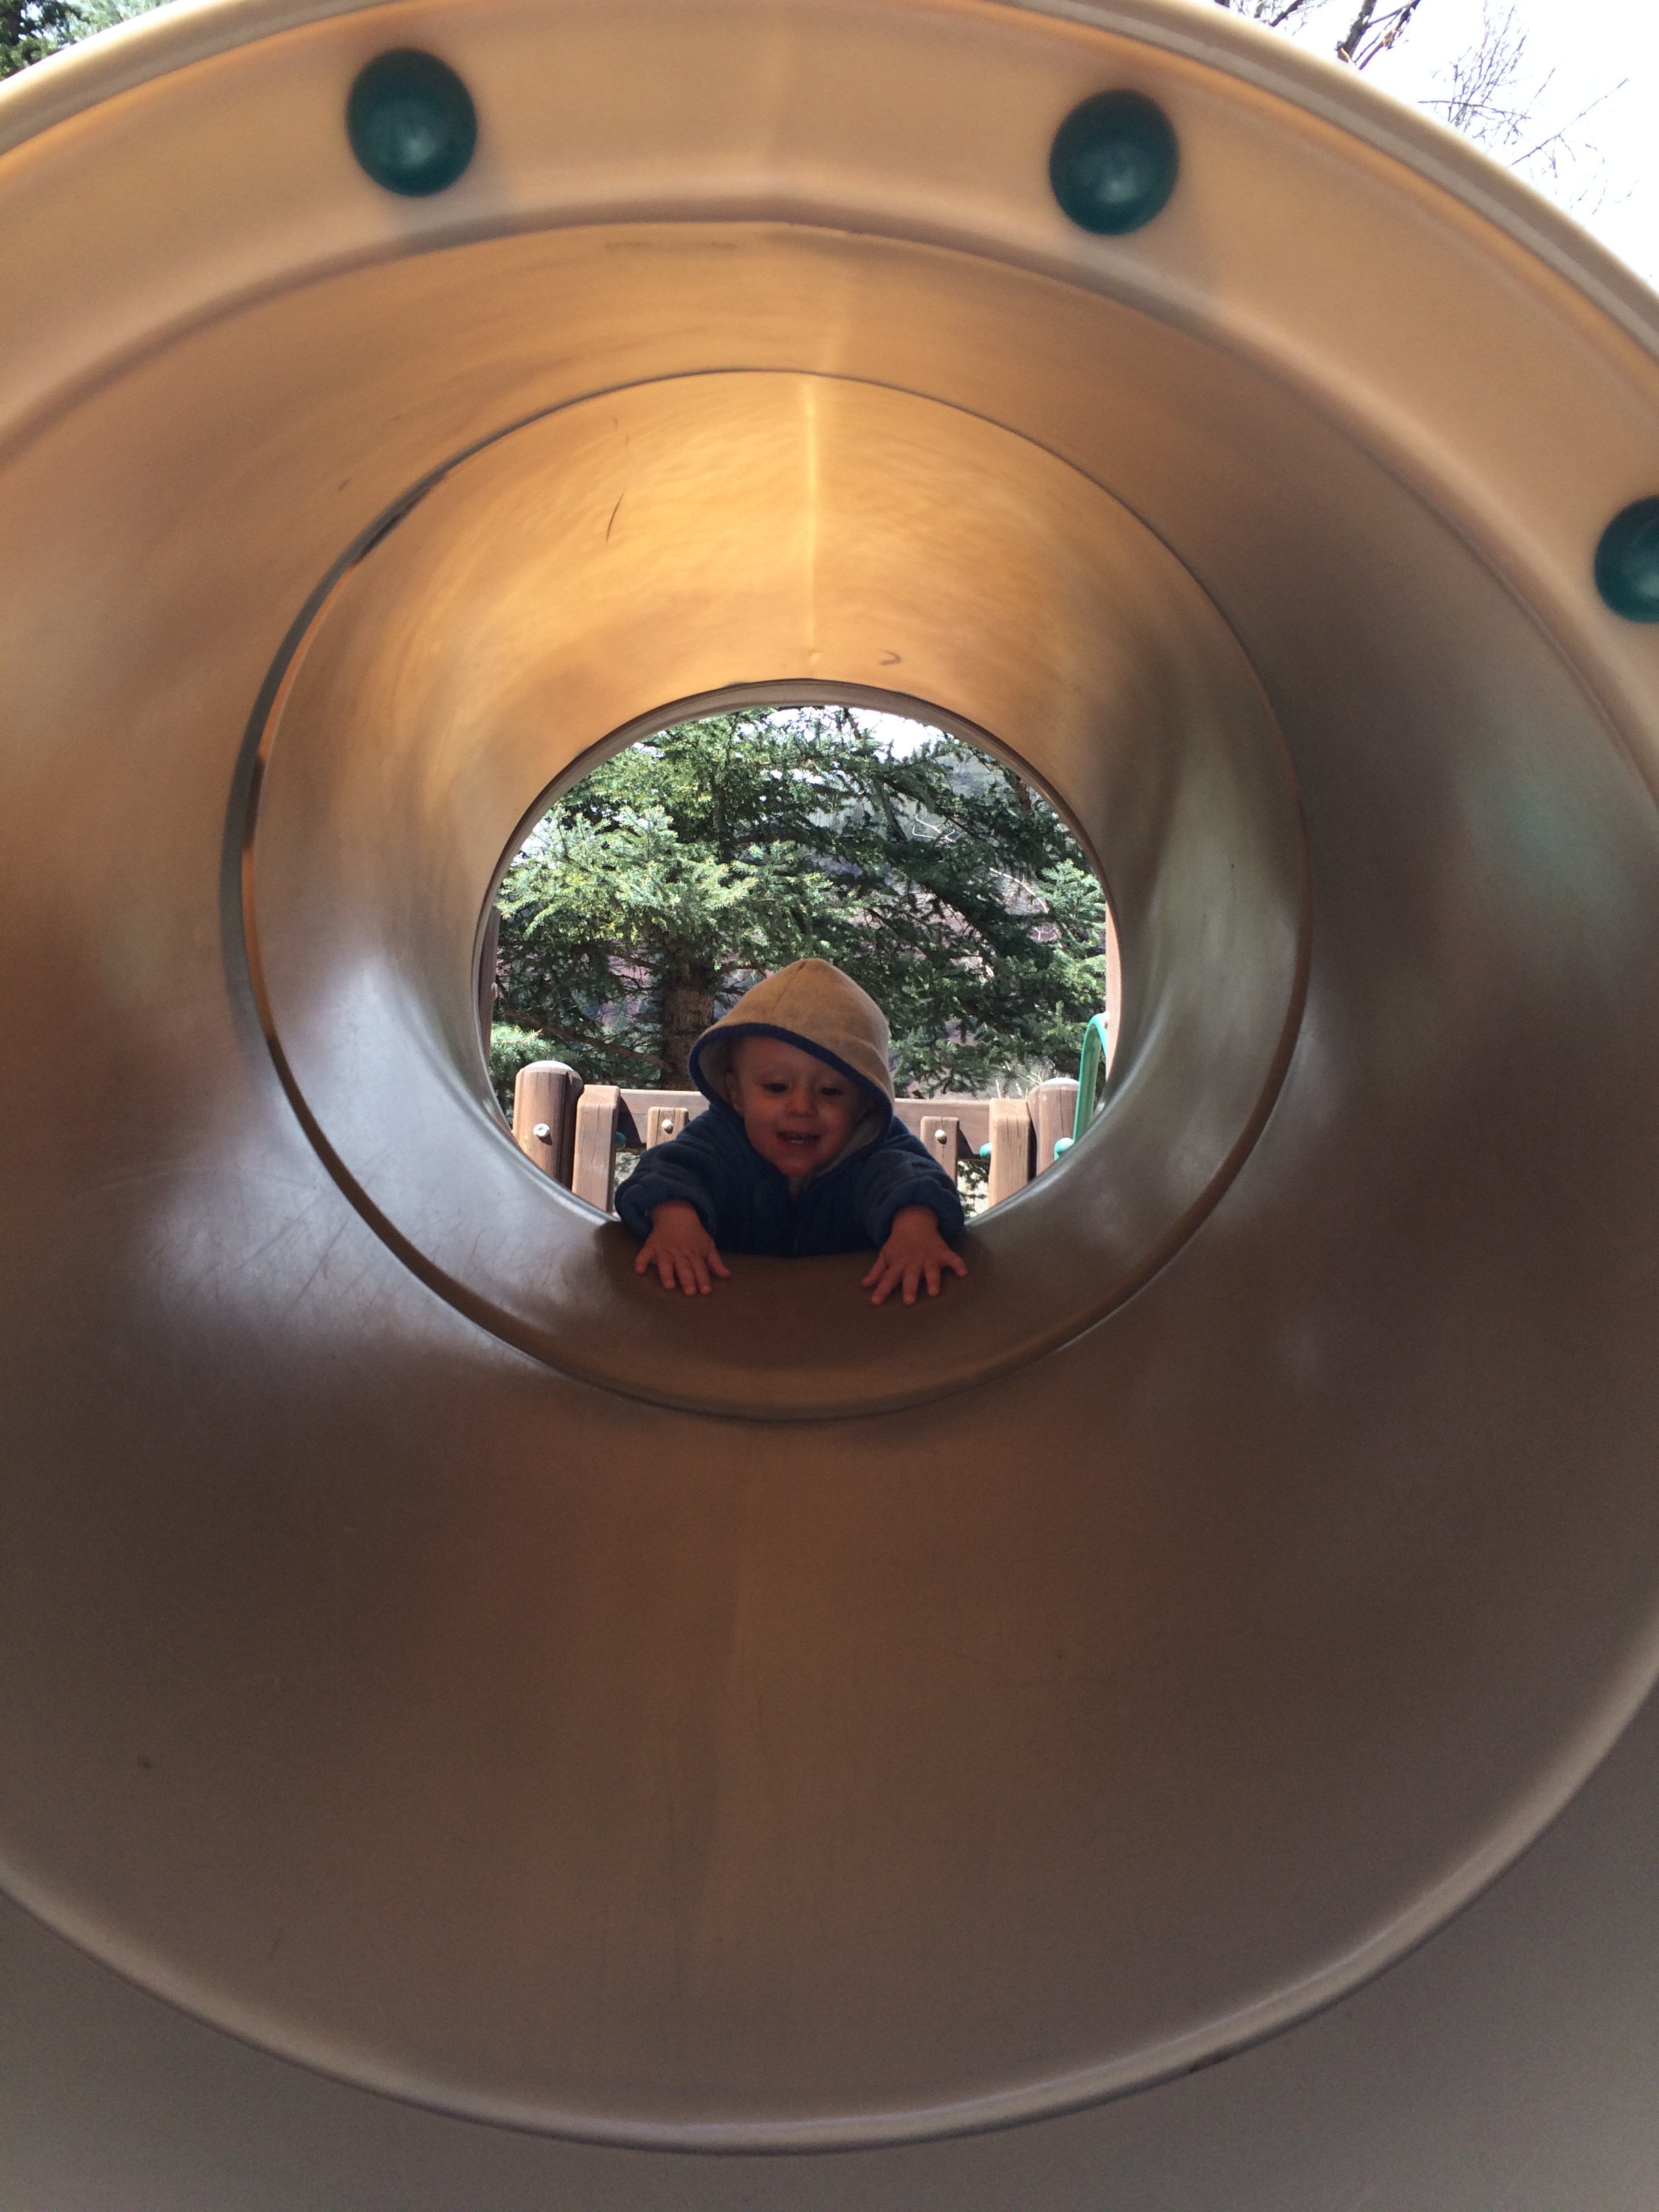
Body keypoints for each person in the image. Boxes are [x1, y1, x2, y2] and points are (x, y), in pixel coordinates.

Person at [615, 959, 968, 1307]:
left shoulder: (874, 1149)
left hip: (845, 1323)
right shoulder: (720, 1141)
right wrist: (675, 1220)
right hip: (729, 1319)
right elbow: (669, 1171)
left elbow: (912, 1180)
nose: (802, 1107)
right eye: (776, 1087)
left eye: (830, 1091)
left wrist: (914, 1229)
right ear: (736, 1094)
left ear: (865, 1104)